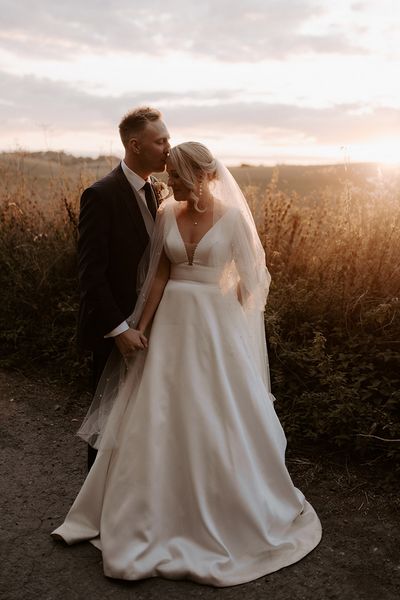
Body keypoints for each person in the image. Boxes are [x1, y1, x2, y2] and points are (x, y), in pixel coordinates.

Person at [52, 142, 322, 587]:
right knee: (157, 410)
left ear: (198, 175)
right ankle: (145, 508)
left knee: (217, 410)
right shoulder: (166, 213)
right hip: (169, 325)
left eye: (175, 174)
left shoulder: (233, 219)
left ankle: (226, 506)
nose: (167, 181)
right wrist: (138, 327)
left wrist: (230, 321)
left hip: (214, 330)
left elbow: (251, 282)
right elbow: (158, 274)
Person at [76, 106, 170, 469]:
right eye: (160, 141)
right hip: (113, 329)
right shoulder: (100, 195)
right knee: (107, 419)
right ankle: (94, 506)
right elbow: (90, 275)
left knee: (144, 416)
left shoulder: (158, 191)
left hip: (150, 326)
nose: (168, 148)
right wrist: (118, 330)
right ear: (135, 145)